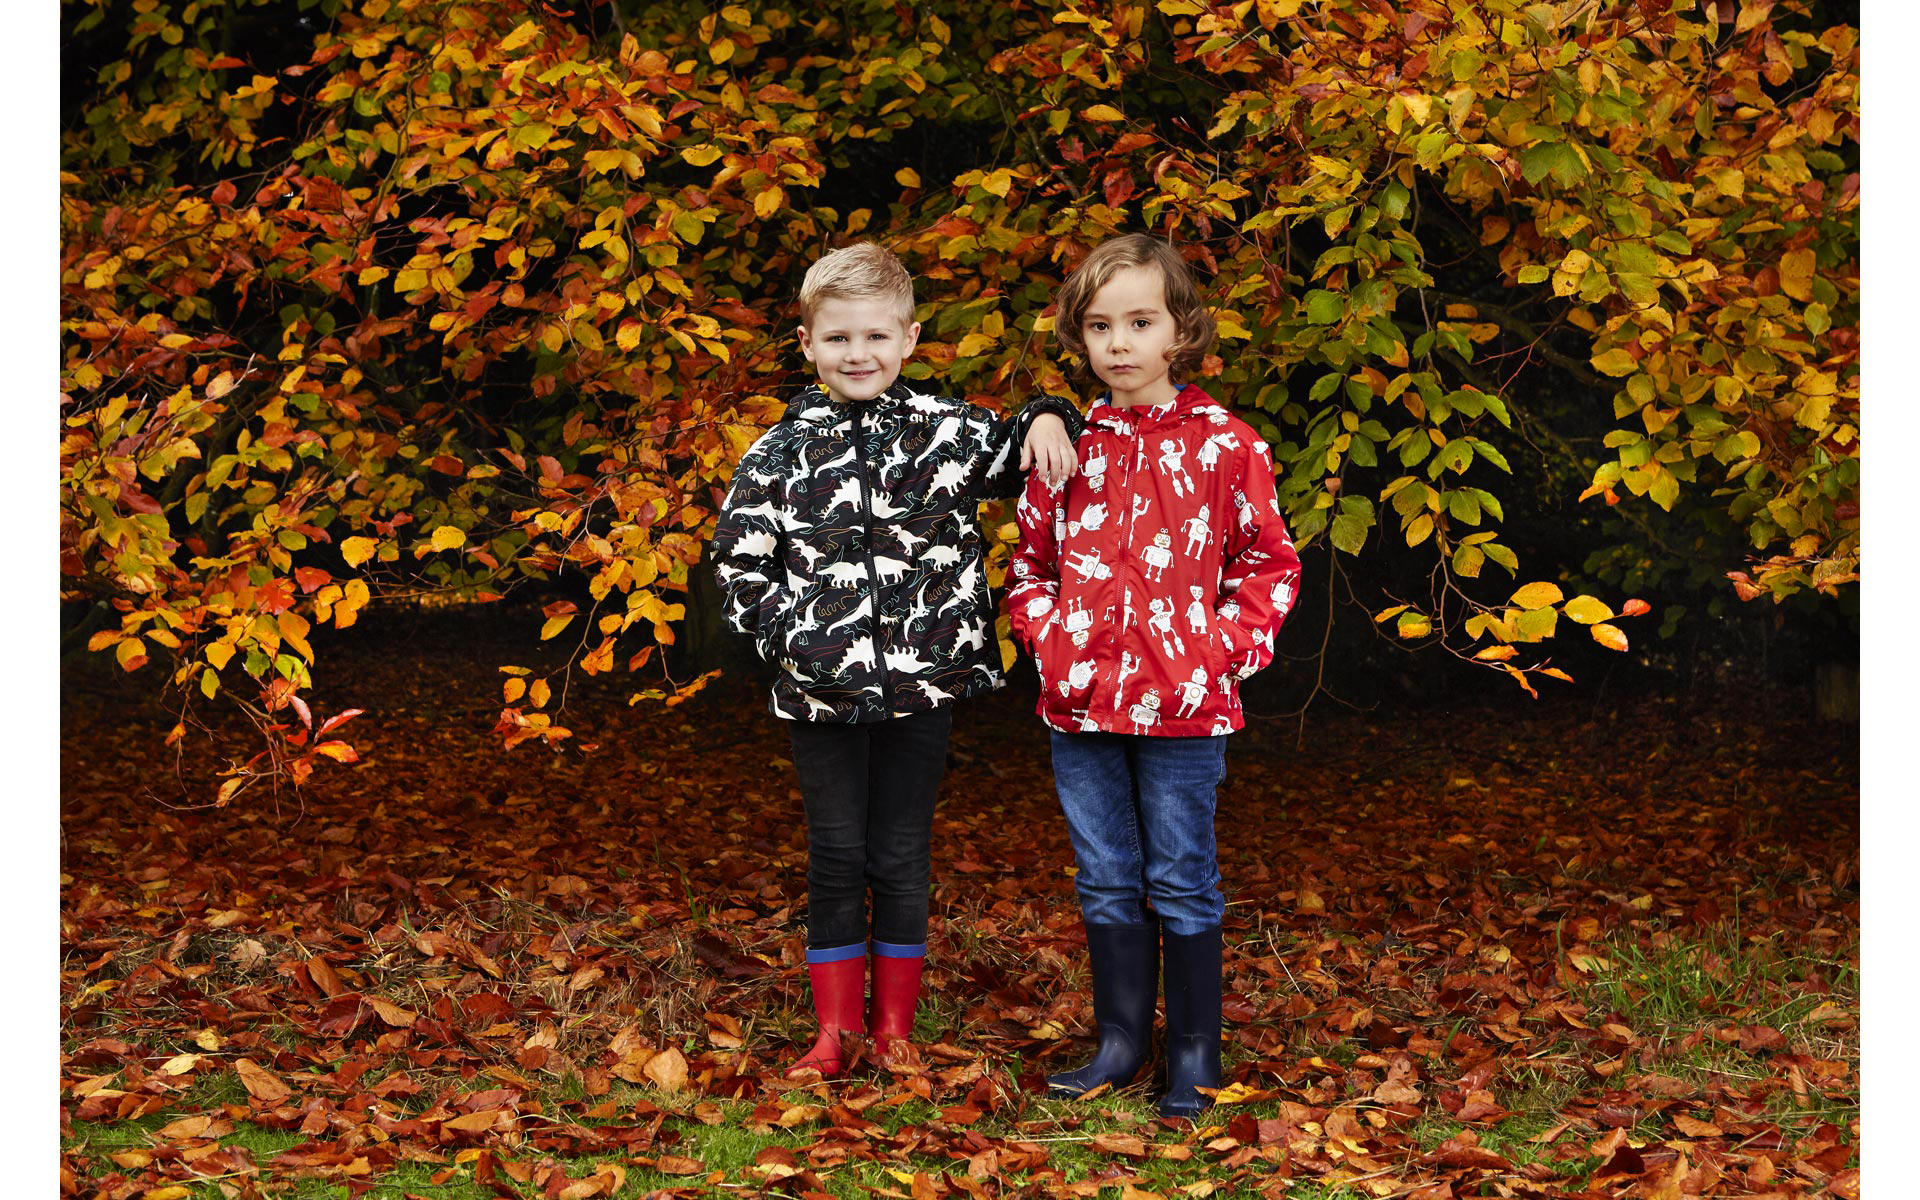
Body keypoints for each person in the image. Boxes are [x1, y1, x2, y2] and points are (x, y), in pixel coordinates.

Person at [710, 242, 1083, 1079]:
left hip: (927, 684)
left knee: (902, 854)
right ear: (806, 343)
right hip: (819, 696)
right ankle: (834, 1034)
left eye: (876, 337)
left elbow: (1023, 437)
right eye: (838, 338)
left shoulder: (948, 434)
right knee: (838, 853)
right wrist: (795, 640)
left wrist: (1051, 410)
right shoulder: (774, 455)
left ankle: (894, 1031)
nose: (858, 355)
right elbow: (737, 566)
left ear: (909, 339)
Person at [1006, 233, 1301, 1118]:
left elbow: (1269, 567)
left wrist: (1219, 652)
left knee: (1181, 875)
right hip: (1081, 707)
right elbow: (1028, 567)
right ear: (1080, 338)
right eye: (1100, 326)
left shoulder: (1225, 448)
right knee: (1103, 875)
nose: (1119, 343)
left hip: (1186, 706)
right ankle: (1121, 1040)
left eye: (1140, 322)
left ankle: (1195, 1051)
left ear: (1181, 332)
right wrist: (1051, 640)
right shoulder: (1066, 445)